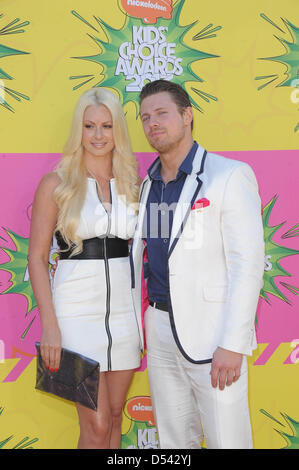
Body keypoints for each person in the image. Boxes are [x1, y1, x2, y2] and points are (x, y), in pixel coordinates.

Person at [130, 80, 265, 449]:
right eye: (145, 117)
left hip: (213, 337)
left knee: (229, 441)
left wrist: (233, 344)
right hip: (159, 330)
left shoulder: (228, 176)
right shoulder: (150, 185)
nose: (152, 123)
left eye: (162, 113)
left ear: (187, 116)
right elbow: (161, 253)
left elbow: (247, 264)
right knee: (174, 442)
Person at [28, 88, 143, 449]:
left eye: (106, 126)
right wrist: (50, 326)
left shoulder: (132, 184)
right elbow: (36, 257)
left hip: (124, 316)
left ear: (117, 131)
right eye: (89, 126)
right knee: (94, 427)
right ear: (78, 130)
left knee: (113, 417)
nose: (97, 136)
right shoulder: (56, 185)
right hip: (74, 314)